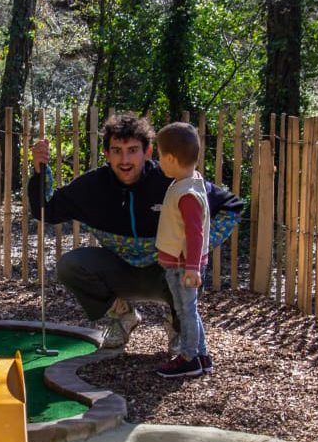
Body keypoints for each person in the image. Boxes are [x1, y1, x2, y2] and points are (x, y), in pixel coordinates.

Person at [27, 112, 243, 356]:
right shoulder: (92, 187)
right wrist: (40, 170)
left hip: (168, 272)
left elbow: (231, 207)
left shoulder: (172, 181)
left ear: (148, 152)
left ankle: (178, 325)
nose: (125, 159)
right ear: (106, 154)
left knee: (191, 269)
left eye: (132, 150)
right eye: (117, 151)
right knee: (70, 265)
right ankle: (122, 315)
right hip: (121, 272)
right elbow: (47, 210)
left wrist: (194, 248)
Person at [153, 122, 211, 379]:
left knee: (185, 311)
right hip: (178, 264)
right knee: (189, 309)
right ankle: (201, 355)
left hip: (182, 266)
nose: (158, 160)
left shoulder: (187, 193)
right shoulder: (187, 182)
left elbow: (194, 233)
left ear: (171, 158)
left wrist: (192, 268)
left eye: (160, 155)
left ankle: (188, 358)